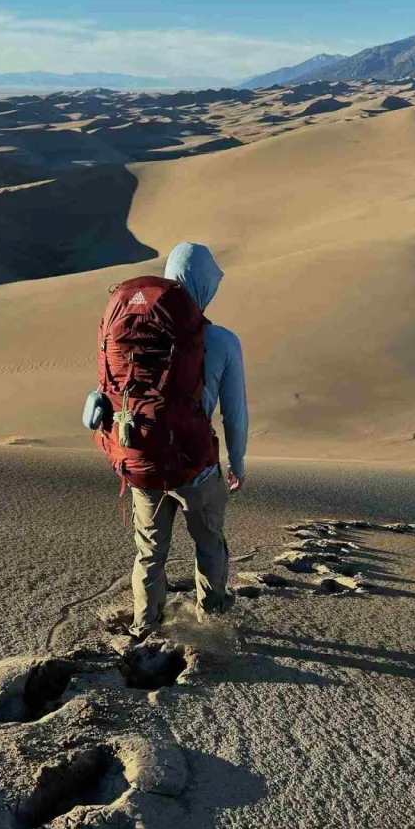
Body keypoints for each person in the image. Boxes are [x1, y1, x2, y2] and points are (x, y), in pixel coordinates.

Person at [127, 241, 248, 639]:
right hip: (196, 467)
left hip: (144, 463)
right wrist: (238, 463)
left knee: (149, 554)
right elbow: (235, 413)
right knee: (209, 543)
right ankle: (211, 621)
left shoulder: (136, 331)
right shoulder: (224, 341)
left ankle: (145, 626)